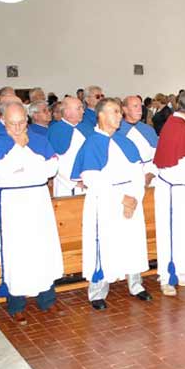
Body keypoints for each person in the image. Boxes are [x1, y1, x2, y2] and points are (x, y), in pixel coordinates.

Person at [0, 102, 63, 324]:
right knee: (16, 253)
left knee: (42, 249)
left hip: (38, 201)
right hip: (11, 204)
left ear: (27, 121)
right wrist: (18, 154)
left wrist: (22, 168)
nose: (17, 129)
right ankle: (16, 304)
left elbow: (51, 168)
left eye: (21, 123)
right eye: (12, 124)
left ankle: (47, 299)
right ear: (4, 122)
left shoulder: (38, 140)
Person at [72, 99, 151, 310]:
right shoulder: (92, 143)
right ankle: (98, 291)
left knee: (132, 242)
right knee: (105, 244)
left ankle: (135, 285)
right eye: (114, 112)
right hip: (106, 202)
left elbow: (138, 172)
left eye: (119, 112)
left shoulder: (125, 141)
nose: (119, 116)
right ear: (101, 116)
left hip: (132, 200)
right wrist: (122, 199)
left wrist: (134, 197)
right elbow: (92, 179)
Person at [152, 89, 185, 297]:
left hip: (178, 189)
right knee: (171, 234)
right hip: (175, 191)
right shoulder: (180, 128)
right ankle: (168, 278)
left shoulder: (174, 125)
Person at [47, 97, 92, 198]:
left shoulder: (87, 128)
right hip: (66, 185)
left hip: (89, 181)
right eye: (79, 108)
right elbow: (54, 161)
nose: (83, 111)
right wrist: (74, 181)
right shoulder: (55, 131)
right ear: (67, 111)